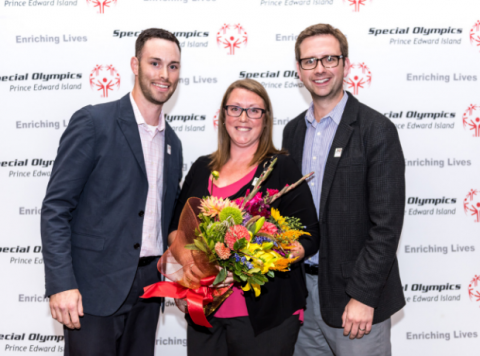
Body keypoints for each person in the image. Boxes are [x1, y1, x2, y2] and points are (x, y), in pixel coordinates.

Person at [41, 28, 183, 356]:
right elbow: (56, 208)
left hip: (149, 290)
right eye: (155, 63)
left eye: (173, 66)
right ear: (135, 65)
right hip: (94, 289)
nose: (164, 75)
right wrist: (61, 284)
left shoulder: (172, 143)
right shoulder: (94, 122)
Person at [168, 79, 320, 356]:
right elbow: (175, 230)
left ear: (266, 119)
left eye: (254, 110)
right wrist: (193, 266)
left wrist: (264, 257)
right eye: (235, 108)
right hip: (205, 309)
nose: (243, 118)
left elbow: (309, 234)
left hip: (266, 315)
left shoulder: (280, 167)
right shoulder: (202, 168)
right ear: (224, 115)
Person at [282, 24, 406, 356]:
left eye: (329, 59)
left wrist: (364, 295)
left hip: (355, 299)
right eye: (309, 61)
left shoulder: (376, 130)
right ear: (299, 70)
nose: (319, 69)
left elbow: (386, 225)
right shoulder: (292, 132)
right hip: (303, 294)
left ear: (346, 64)